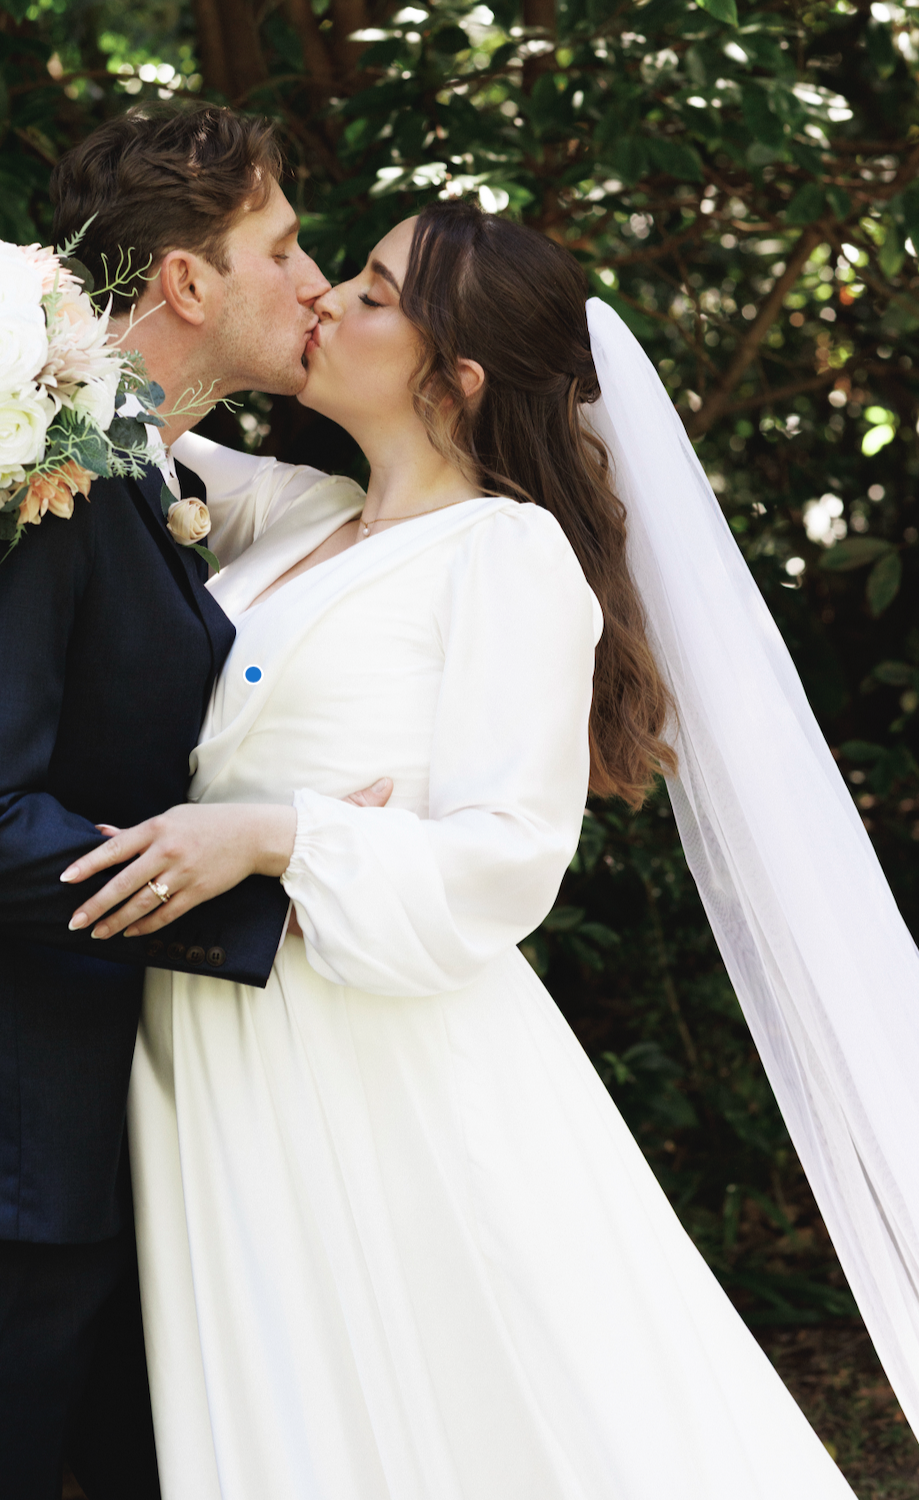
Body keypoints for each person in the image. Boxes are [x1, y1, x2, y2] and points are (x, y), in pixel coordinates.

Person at [62, 198, 919, 1495]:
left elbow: (507, 859)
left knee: (486, 1415)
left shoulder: (507, 557)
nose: (326, 301)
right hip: (225, 1045)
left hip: (380, 1064)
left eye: (371, 291)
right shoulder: (297, 517)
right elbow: (117, 429)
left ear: (452, 381)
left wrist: (275, 833)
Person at [0, 103, 389, 1500]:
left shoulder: (141, 472)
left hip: (105, 1166)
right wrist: (271, 884)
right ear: (189, 281)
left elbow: (333, 517)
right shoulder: (16, 476)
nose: (317, 282)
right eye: (286, 246)